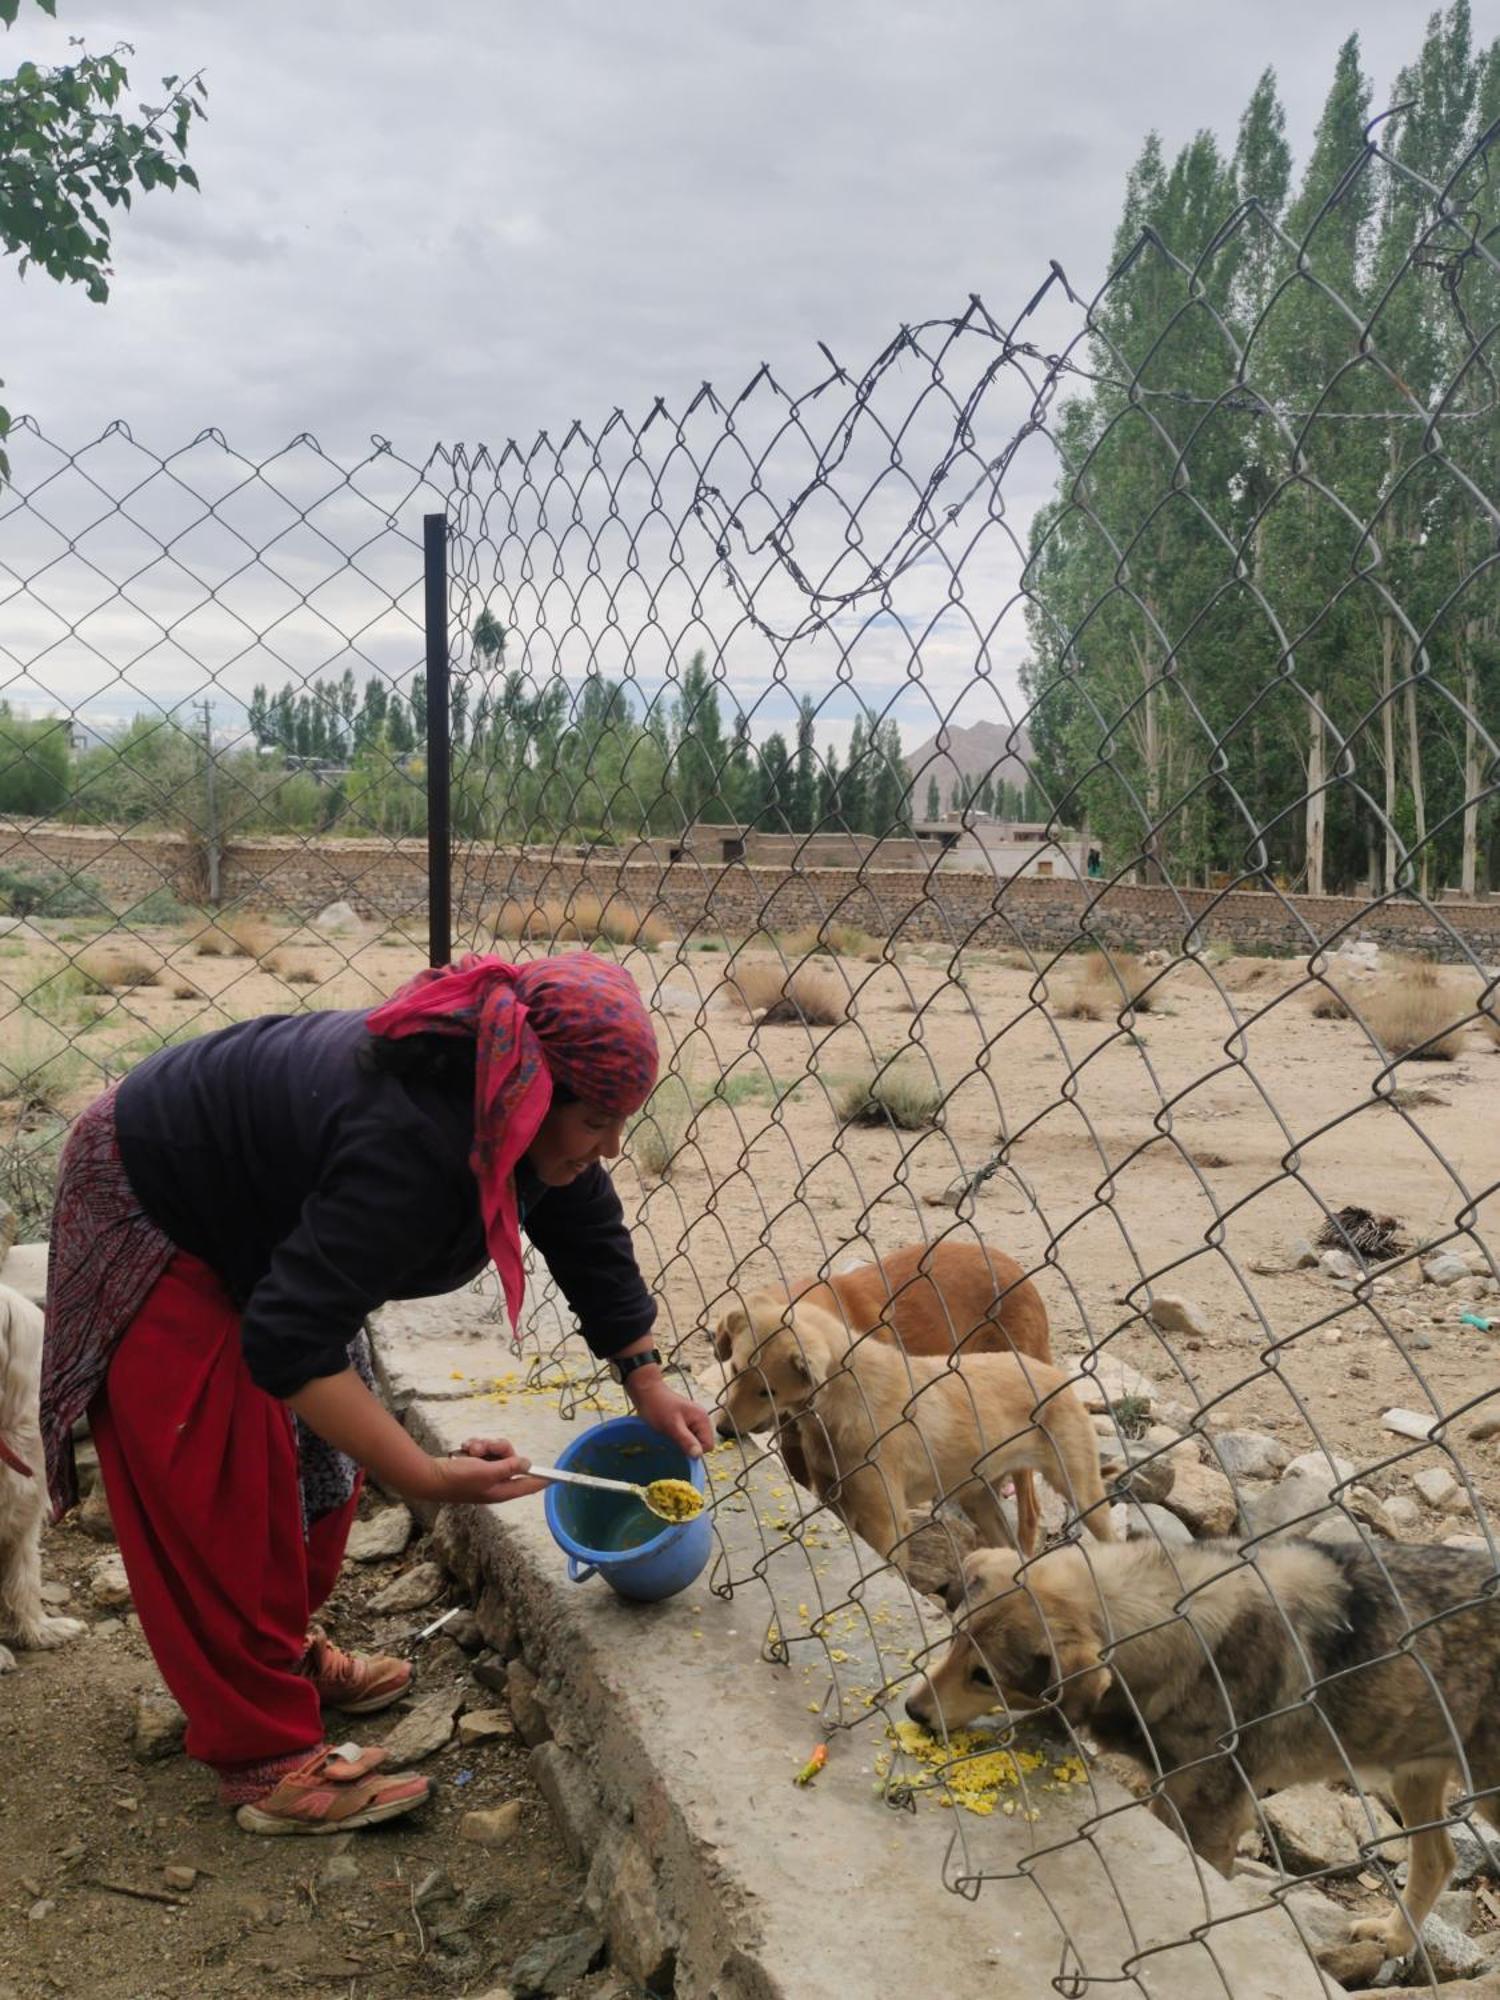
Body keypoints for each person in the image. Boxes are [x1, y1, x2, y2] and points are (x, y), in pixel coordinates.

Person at [40, 950, 712, 1835]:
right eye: (597, 1121)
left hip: (255, 1217)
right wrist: (427, 1478)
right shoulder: (418, 1151)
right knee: (216, 1491)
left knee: (316, 1467)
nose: (612, 1147)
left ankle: (279, 1658)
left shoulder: (506, 1107)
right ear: (531, 1093)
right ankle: (267, 1764)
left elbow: (583, 1219)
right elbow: (287, 1340)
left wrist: (645, 1376)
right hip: (154, 1197)